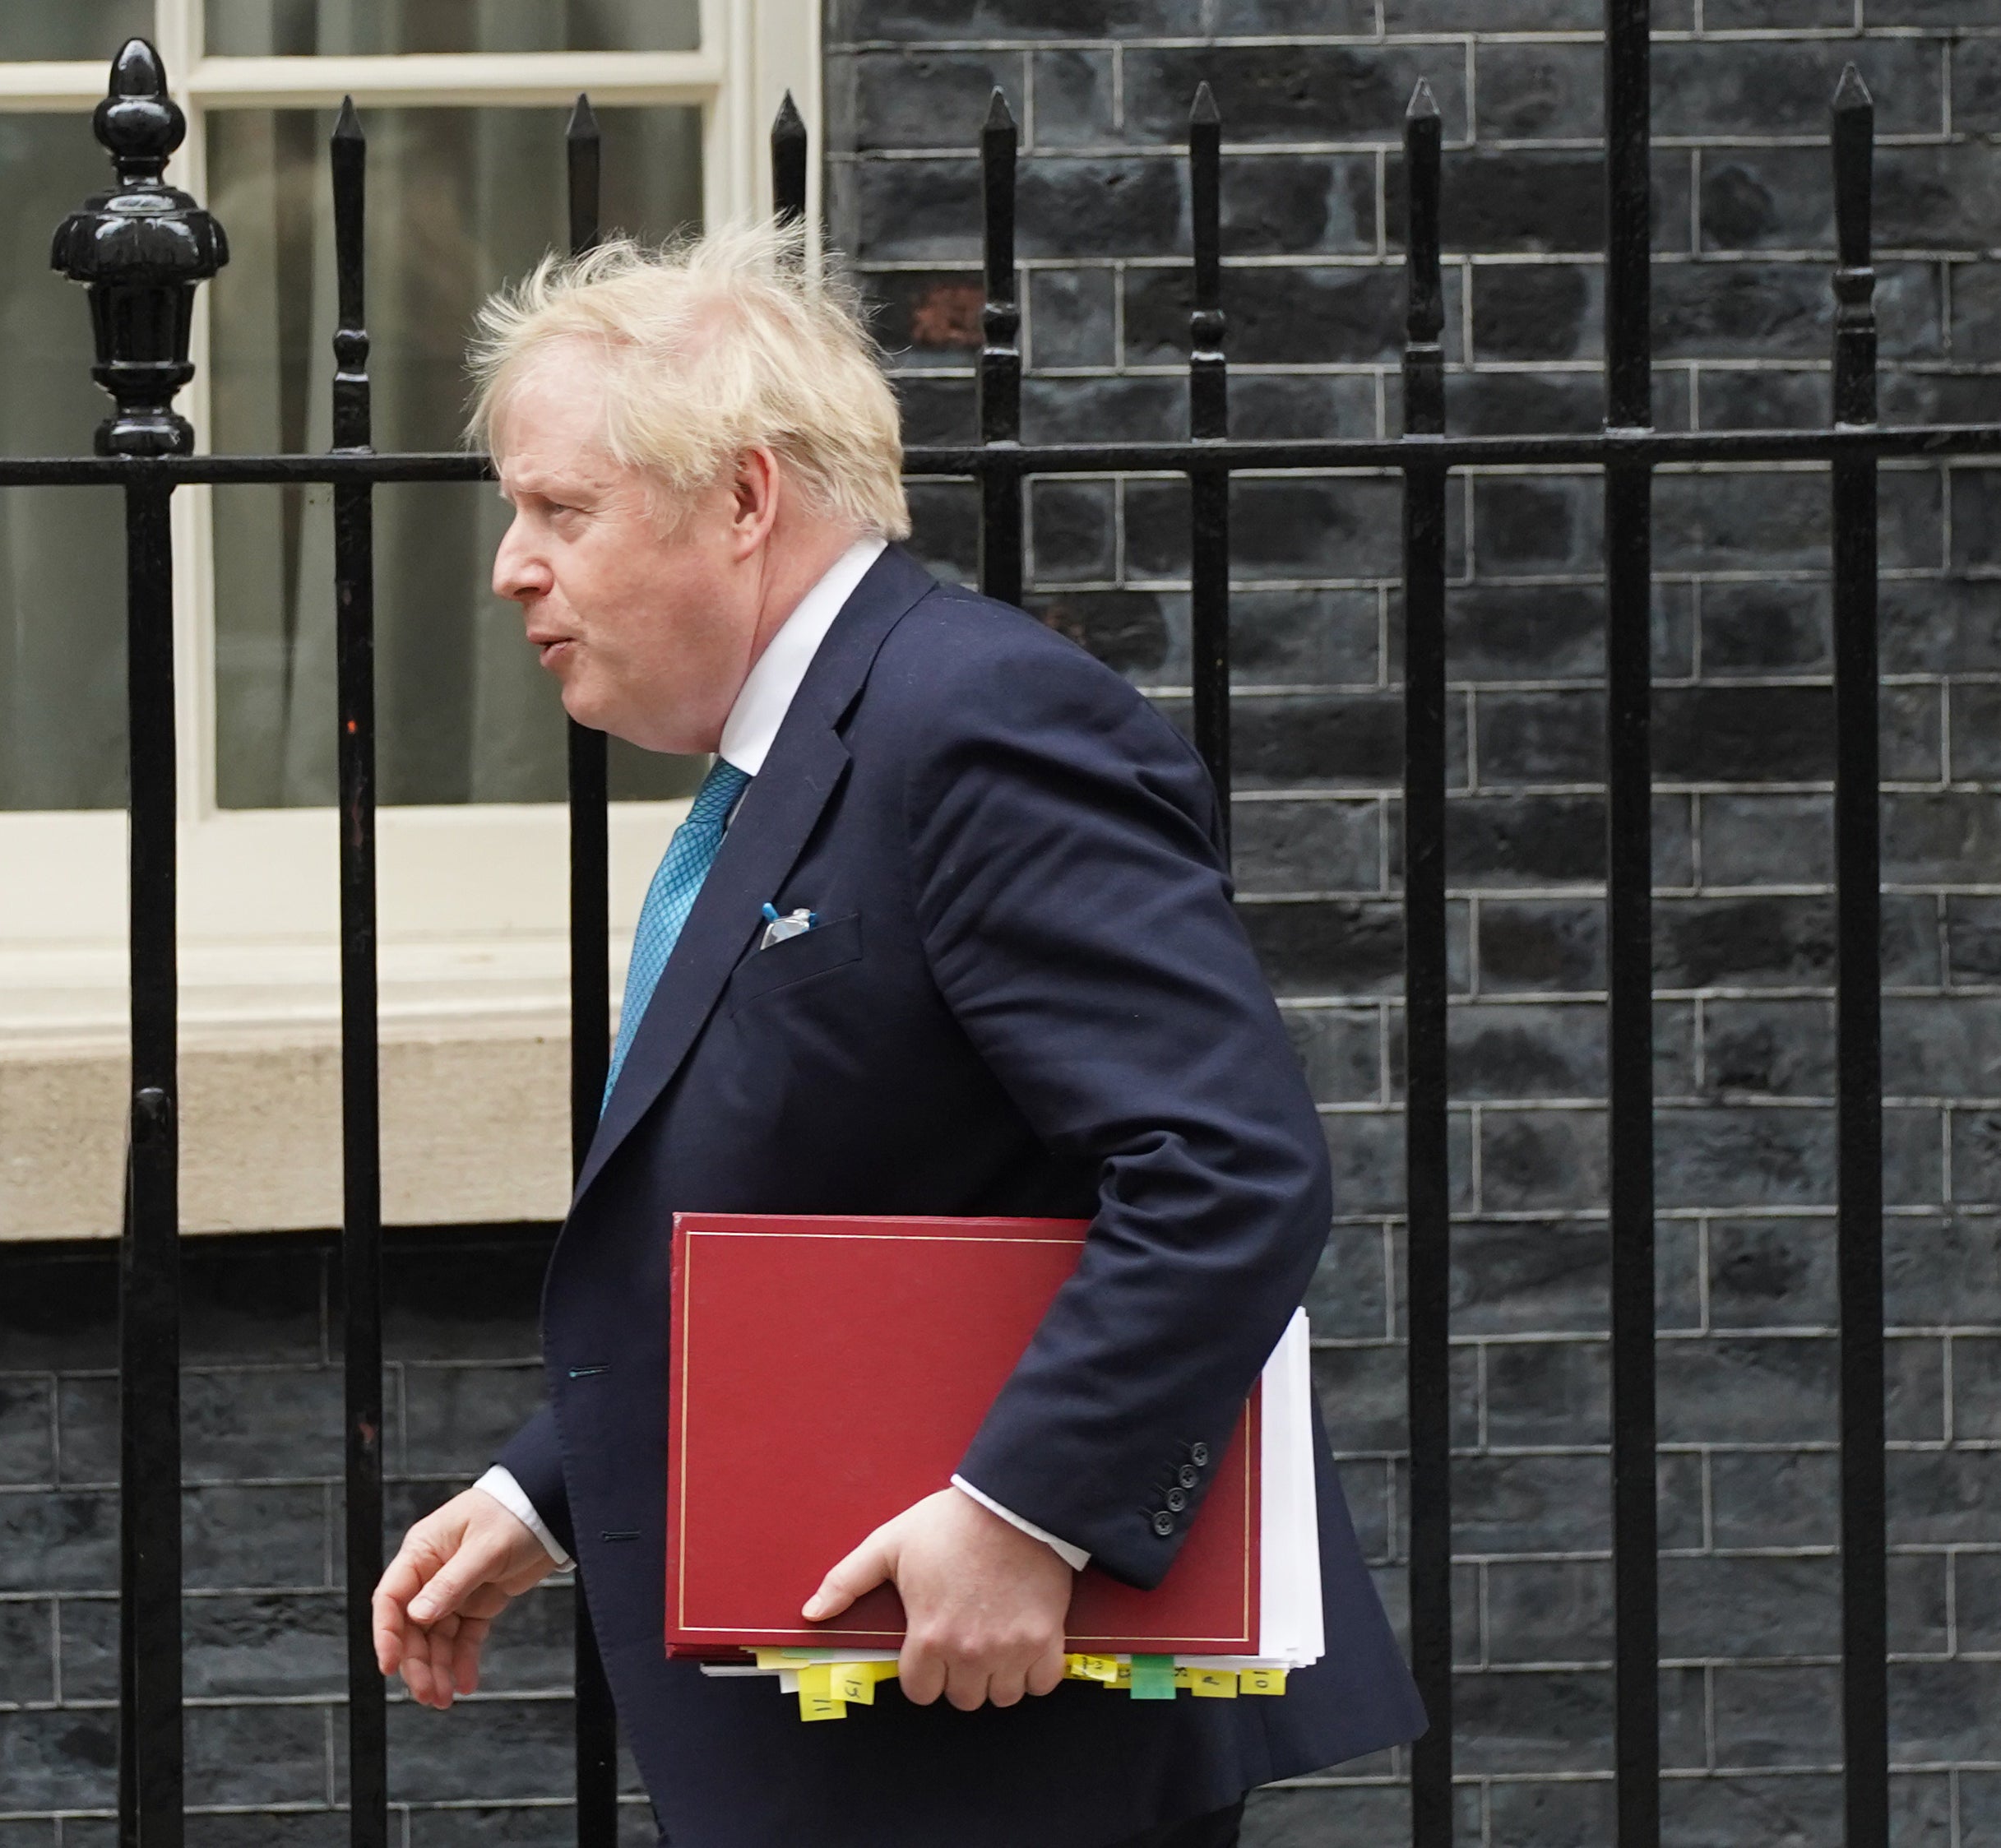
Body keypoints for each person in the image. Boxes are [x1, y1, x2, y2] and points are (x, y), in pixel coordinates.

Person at [369, 220, 1424, 1848]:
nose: (512, 564)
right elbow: (830, 1196)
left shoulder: (974, 721)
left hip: (1000, 1733)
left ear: (739, 497)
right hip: (881, 1718)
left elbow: (1225, 1164)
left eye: (558, 510)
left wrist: (1028, 1514)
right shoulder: (795, 759)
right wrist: (549, 1484)